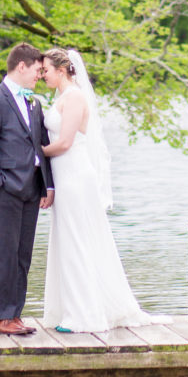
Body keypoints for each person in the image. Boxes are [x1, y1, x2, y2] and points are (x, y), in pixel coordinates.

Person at [40, 46, 151, 332]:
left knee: (76, 242)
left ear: (62, 70)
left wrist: (34, 154)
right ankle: (69, 309)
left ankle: (84, 316)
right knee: (67, 241)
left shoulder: (74, 97)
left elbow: (64, 143)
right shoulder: (62, 97)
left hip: (75, 178)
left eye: (46, 70)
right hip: (65, 178)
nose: (42, 75)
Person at [0, 42, 54, 335]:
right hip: (5, 190)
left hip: (32, 189)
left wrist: (47, 185)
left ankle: (15, 315)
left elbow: (39, 146)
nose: (39, 76)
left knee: (23, 255)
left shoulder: (34, 103)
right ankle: (0, 317)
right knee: (5, 252)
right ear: (22, 66)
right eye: (37, 70)